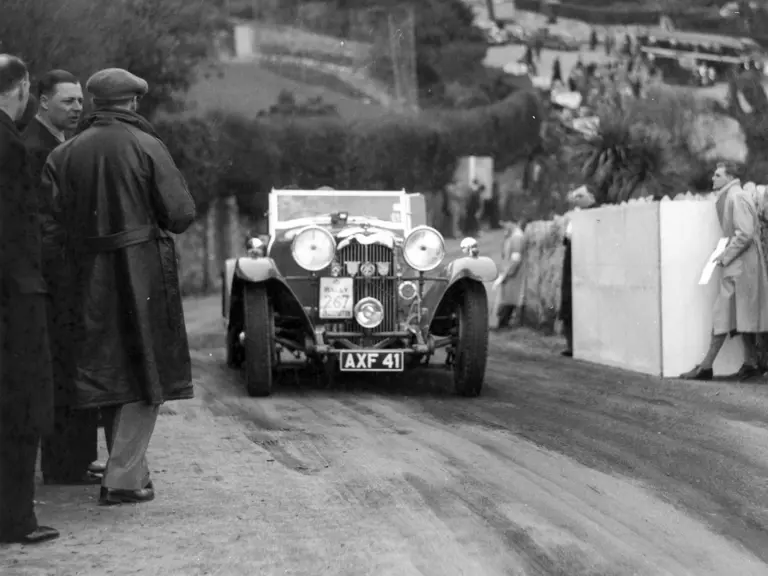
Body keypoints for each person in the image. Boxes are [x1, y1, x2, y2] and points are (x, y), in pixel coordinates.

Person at [41, 68, 197, 505]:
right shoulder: (148, 145)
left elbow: (48, 226)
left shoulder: (64, 153)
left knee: (108, 371)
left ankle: (127, 468)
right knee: (144, 372)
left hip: (82, 277)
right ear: (133, 103)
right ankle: (124, 479)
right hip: (140, 272)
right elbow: (180, 214)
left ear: (93, 103)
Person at [24, 69, 105, 486]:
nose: (76, 108)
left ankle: (75, 458)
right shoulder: (33, 147)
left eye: (79, 101)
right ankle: (64, 464)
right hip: (51, 279)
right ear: (42, 101)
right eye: (67, 101)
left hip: (69, 276)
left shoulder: (64, 145)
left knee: (75, 364)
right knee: (60, 367)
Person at [0, 54, 59, 544]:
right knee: (21, 408)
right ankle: (17, 520)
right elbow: (22, 230)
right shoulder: (13, 146)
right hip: (14, 294)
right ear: (21, 89)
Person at [680, 163, 768, 381]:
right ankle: (750, 363)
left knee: (724, 313)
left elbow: (745, 233)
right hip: (741, 265)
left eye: (718, 175)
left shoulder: (736, 197)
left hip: (741, 266)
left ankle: (706, 367)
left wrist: (725, 255)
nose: (713, 178)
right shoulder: (734, 196)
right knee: (742, 314)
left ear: (730, 177)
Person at [560, 185, 597, 357]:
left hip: (586, 264)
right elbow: (566, 239)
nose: (577, 199)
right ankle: (572, 345)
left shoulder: (594, 214)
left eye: (580, 196)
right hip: (572, 263)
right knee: (569, 303)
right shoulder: (572, 217)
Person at [493, 217, 529, 330]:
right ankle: (503, 324)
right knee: (507, 299)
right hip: (510, 275)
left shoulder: (517, 237)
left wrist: (505, 275)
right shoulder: (512, 236)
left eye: (505, 223)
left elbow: (515, 259)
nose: (504, 226)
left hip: (513, 277)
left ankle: (504, 325)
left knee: (509, 300)